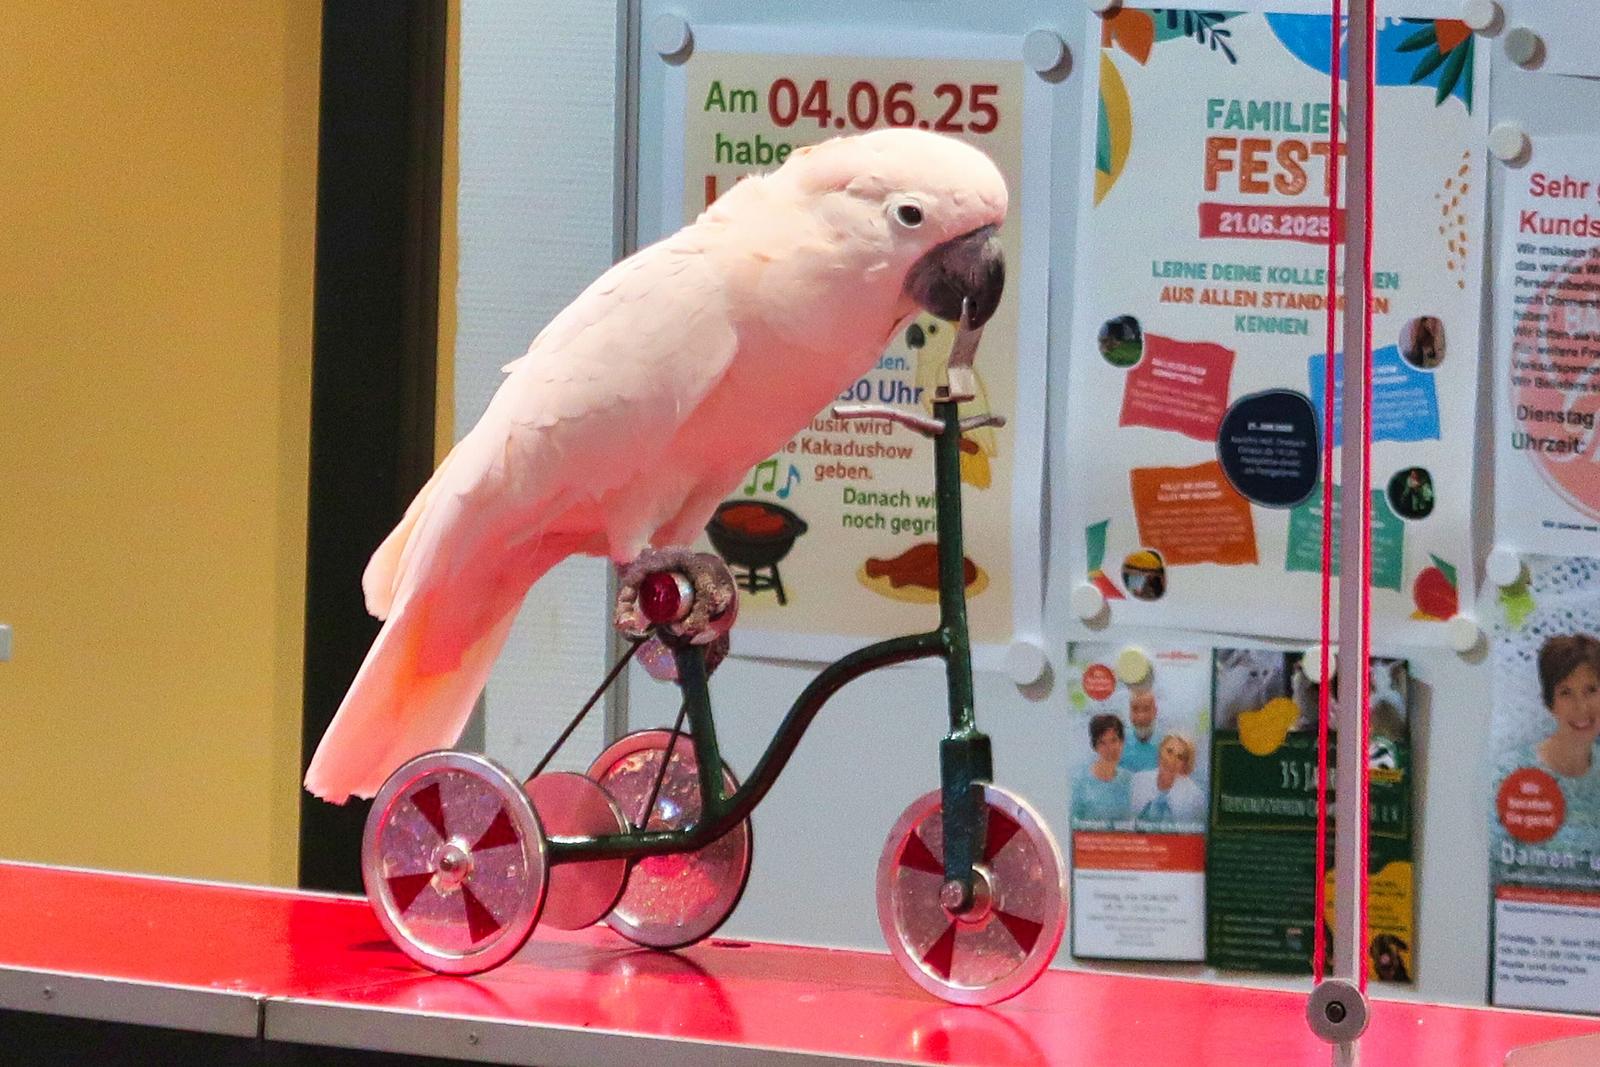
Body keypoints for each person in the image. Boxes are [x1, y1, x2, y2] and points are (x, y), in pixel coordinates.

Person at [1129, 734, 1206, 826]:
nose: (1172, 761)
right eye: (1169, 751)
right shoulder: (1138, 780)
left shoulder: (1195, 797)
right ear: (1160, 751)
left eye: (1180, 757)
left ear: (1184, 765)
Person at [1072, 714, 1133, 826]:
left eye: (1114, 740)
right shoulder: (1080, 781)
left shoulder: (1128, 779)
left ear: (1122, 742)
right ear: (1095, 746)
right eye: (1102, 743)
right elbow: (1073, 824)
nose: (1110, 748)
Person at [1120, 689, 1163, 773]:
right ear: (1129, 712)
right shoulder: (1117, 742)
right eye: (1135, 709)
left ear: (1155, 711)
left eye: (1146, 709)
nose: (1141, 717)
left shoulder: (1166, 745)